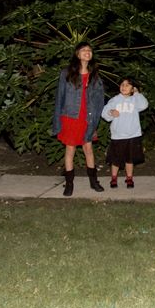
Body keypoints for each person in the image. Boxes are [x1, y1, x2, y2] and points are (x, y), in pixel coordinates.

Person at [52, 42, 106, 196]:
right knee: (70, 149)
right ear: (77, 54)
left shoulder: (95, 76)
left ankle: (94, 182)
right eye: (84, 50)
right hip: (70, 117)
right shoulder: (66, 73)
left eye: (89, 50)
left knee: (88, 149)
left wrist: (97, 119)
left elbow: (100, 100)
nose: (87, 52)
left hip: (87, 118)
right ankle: (69, 184)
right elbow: (60, 97)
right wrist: (57, 120)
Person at [101, 76, 148, 189]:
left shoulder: (135, 100)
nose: (124, 87)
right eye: (122, 84)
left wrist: (137, 93)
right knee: (116, 159)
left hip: (132, 135)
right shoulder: (115, 100)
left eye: (127, 85)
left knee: (129, 159)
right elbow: (104, 112)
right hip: (118, 136)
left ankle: (129, 178)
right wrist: (111, 112)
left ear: (133, 88)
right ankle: (114, 178)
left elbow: (144, 105)